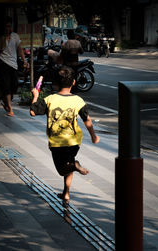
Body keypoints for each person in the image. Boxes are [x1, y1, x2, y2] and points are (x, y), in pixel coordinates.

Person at [29, 66, 100, 205]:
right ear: (73, 82)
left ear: (55, 84)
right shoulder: (78, 100)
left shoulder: (50, 99)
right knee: (68, 164)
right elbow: (87, 120)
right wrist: (93, 136)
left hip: (57, 142)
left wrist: (36, 96)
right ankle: (66, 193)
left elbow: (33, 112)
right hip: (74, 142)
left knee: (63, 169)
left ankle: (75, 165)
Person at [0, 17, 28, 116]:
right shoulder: (0, 38)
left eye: (9, 26)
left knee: (14, 86)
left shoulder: (15, 36)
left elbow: (20, 49)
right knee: (6, 86)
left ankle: (6, 101)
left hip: (13, 65)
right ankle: (10, 108)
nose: (7, 29)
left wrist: (24, 60)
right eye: (6, 27)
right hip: (3, 63)